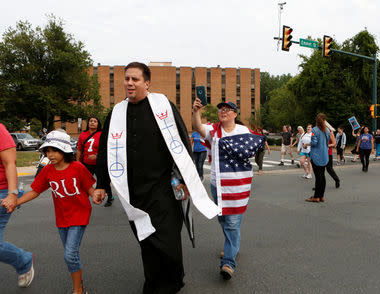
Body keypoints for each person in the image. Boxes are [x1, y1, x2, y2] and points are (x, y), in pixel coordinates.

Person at [95, 62, 218, 293]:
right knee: (146, 241)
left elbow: (181, 143)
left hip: (163, 189)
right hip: (132, 191)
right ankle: (152, 283)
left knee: (168, 241)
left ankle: (173, 279)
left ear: (147, 83)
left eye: (135, 79)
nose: (129, 83)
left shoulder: (163, 106)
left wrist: (185, 179)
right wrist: (101, 183)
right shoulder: (116, 113)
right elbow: (105, 149)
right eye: (127, 79)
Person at [15, 130, 102, 294]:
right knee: (71, 255)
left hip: (79, 215)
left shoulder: (77, 167)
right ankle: (79, 284)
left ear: (64, 150)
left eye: (54, 150)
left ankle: (78, 290)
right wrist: (17, 201)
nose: (50, 154)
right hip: (62, 218)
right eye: (47, 150)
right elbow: (35, 191)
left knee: (70, 255)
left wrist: (95, 195)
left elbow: (90, 188)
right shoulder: (48, 170)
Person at [192, 99, 265, 280]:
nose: (223, 111)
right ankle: (232, 246)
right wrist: (196, 112)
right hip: (217, 185)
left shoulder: (243, 132)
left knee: (232, 223)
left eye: (227, 109)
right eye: (220, 109)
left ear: (234, 114)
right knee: (223, 220)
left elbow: (254, 146)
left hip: (237, 185)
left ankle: (229, 262)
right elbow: (198, 128)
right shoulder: (214, 131)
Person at [0, 123, 34, 288]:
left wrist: (12, 194)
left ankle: (23, 260)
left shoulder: (0, 131)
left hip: (2, 193)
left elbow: (10, 164)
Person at [77, 116, 114, 207]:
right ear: (88, 123)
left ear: (98, 124)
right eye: (90, 121)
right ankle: (84, 200)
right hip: (86, 164)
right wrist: (78, 162)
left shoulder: (102, 134)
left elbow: (107, 148)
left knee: (103, 182)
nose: (92, 122)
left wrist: (97, 156)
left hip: (99, 164)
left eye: (95, 121)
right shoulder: (83, 135)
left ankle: (110, 197)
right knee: (85, 182)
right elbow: (79, 150)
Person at [305, 114, 330, 202]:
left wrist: (308, 143)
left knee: (318, 177)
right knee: (322, 176)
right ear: (324, 120)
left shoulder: (314, 130)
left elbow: (314, 143)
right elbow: (327, 142)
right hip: (324, 155)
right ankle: (321, 196)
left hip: (316, 155)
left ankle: (316, 197)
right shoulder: (327, 130)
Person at [325, 122, 340, 188]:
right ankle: (319, 185)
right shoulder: (319, 132)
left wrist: (327, 145)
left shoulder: (330, 132)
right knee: (320, 170)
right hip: (321, 154)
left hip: (328, 153)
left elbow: (334, 144)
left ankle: (337, 180)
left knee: (329, 169)